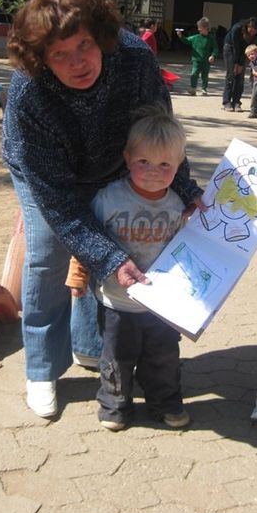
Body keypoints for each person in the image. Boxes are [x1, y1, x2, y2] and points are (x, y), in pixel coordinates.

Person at [2, 0, 204, 419]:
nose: (78, 62)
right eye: (60, 54)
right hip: (48, 173)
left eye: (85, 46)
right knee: (48, 253)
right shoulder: (28, 93)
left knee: (117, 240)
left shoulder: (133, 58)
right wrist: (105, 256)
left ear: (102, 38)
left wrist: (185, 190)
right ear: (40, 60)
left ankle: (93, 346)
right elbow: (58, 201)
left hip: (116, 160)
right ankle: (42, 368)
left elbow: (159, 132)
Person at [66, 105, 194, 431]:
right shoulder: (109, 199)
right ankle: (114, 405)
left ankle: (165, 403)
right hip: (115, 302)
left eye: (165, 164)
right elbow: (85, 237)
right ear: (127, 158)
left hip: (161, 304)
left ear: (179, 165)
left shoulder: (178, 206)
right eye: (143, 162)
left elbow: (188, 253)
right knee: (116, 359)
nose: (153, 171)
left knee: (163, 358)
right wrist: (78, 276)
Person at [221, 17, 257, 111]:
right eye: (251, 28)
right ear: (247, 26)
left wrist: (241, 64)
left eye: (255, 29)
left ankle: (236, 102)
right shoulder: (237, 28)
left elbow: (250, 49)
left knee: (240, 76)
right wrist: (236, 63)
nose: (253, 31)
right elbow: (236, 47)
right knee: (231, 74)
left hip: (245, 52)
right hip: (230, 48)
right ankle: (226, 101)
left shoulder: (256, 35)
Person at [176, 17, 218, 96]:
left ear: (206, 28)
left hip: (206, 61)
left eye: (200, 28)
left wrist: (213, 55)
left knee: (205, 75)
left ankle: (204, 89)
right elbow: (187, 40)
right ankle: (193, 88)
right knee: (194, 73)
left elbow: (215, 48)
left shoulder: (211, 39)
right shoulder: (195, 37)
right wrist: (180, 36)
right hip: (196, 60)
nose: (198, 29)